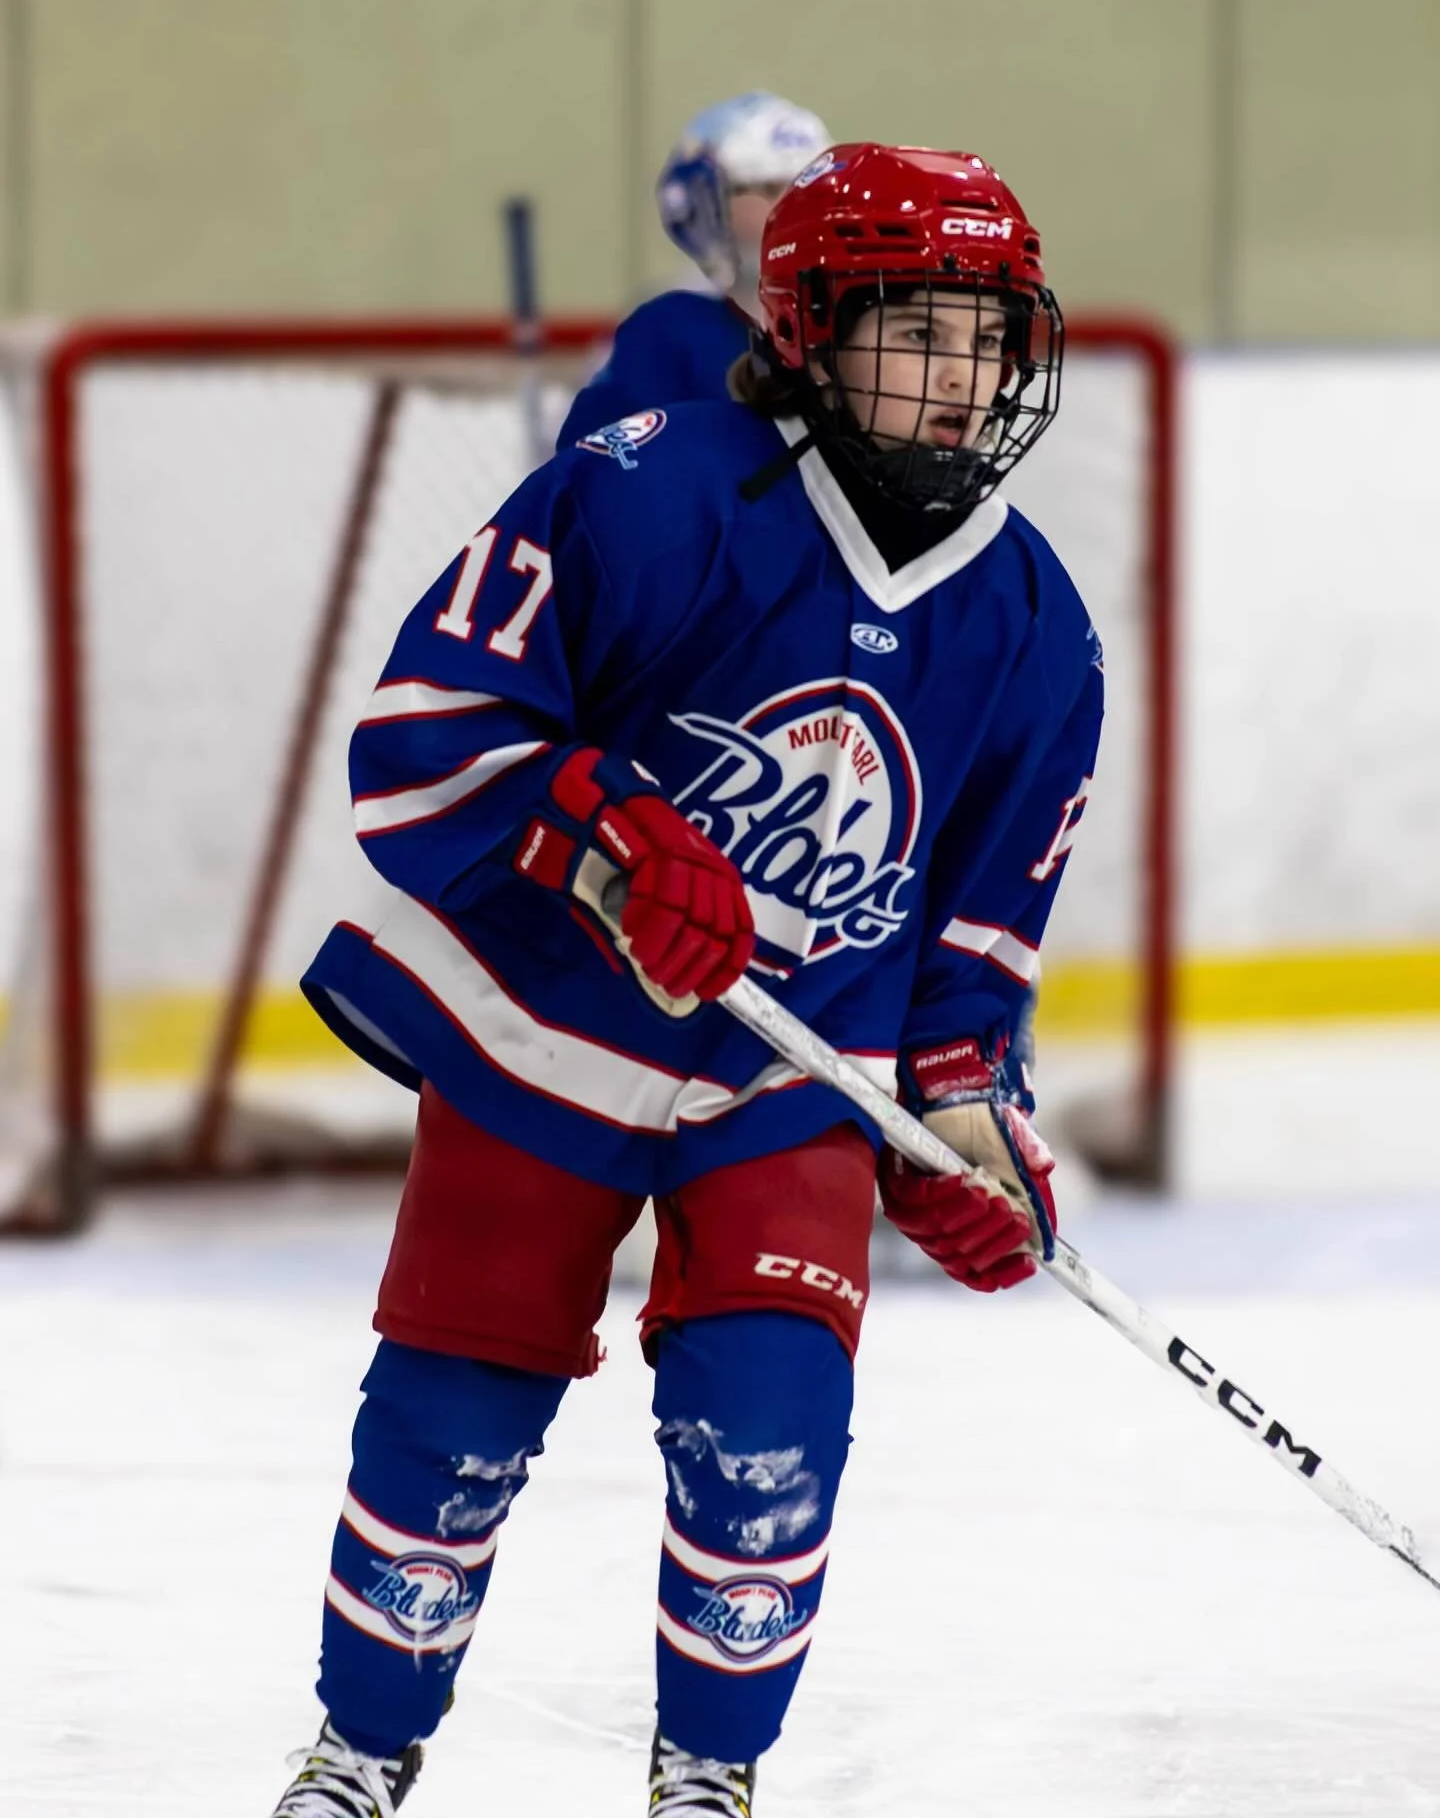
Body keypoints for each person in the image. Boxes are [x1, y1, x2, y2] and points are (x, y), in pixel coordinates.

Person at [269, 142, 1100, 1818]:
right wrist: (610, 836)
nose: (961, 379)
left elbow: (966, 968)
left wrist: (970, 1130)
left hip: (790, 1073)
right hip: (539, 1036)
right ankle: (361, 1750)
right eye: (915, 334)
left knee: (771, 1439)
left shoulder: (1036, 630)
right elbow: (422, 747)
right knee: (453, 1413)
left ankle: (707, 1776)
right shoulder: (648, 489)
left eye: (986, 336)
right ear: (808, 332)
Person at [554, 90, 832, 447]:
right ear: (706, 200)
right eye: (769, 187)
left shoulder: (856, 318)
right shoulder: (669, 330)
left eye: (811, 187)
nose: (796, 205)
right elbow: (597, 465)